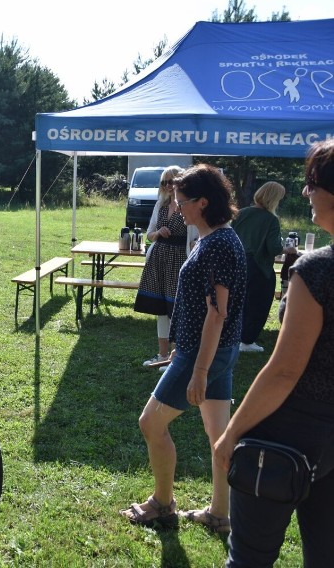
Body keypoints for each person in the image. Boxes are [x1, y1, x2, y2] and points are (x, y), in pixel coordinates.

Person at [214, 139, 334, 567]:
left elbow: (283, 372)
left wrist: (230, 434)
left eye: (312, 183)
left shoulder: (317, 269)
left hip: (286, 435)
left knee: (250, 559)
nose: (306, 193)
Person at [120, 164, 246, 533]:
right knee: (218, 436)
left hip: (205, 354)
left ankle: (162, 503)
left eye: (181, 202)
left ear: (203, 203)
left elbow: (216, 314)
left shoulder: (219, 243)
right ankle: (220, 514)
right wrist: (182, 348)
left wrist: (199, 368)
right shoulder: (216, 239)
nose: (176, 210)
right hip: (211, 351)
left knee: (150, 423)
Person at [135, 166, 198, 368]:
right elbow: (149, 234)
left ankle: (176, 358)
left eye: (173, 181)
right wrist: (159, 232)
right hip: (159, 259)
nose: (169, 186)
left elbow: (195, 239)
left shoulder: (189, 206)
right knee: (161, 309)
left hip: (180, 259)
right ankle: (162, 354)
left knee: (176, 309)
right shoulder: (160, 205)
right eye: (165, 182)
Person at [231, 181, 294, 353]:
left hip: (238, 263)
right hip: (259, 266)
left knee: (239, 302)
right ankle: (247, 340)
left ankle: (235, 336)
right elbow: (273, 247)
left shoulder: (241, 213)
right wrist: (287, 249)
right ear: (273, 199)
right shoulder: (270, 219)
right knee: (258, 304)